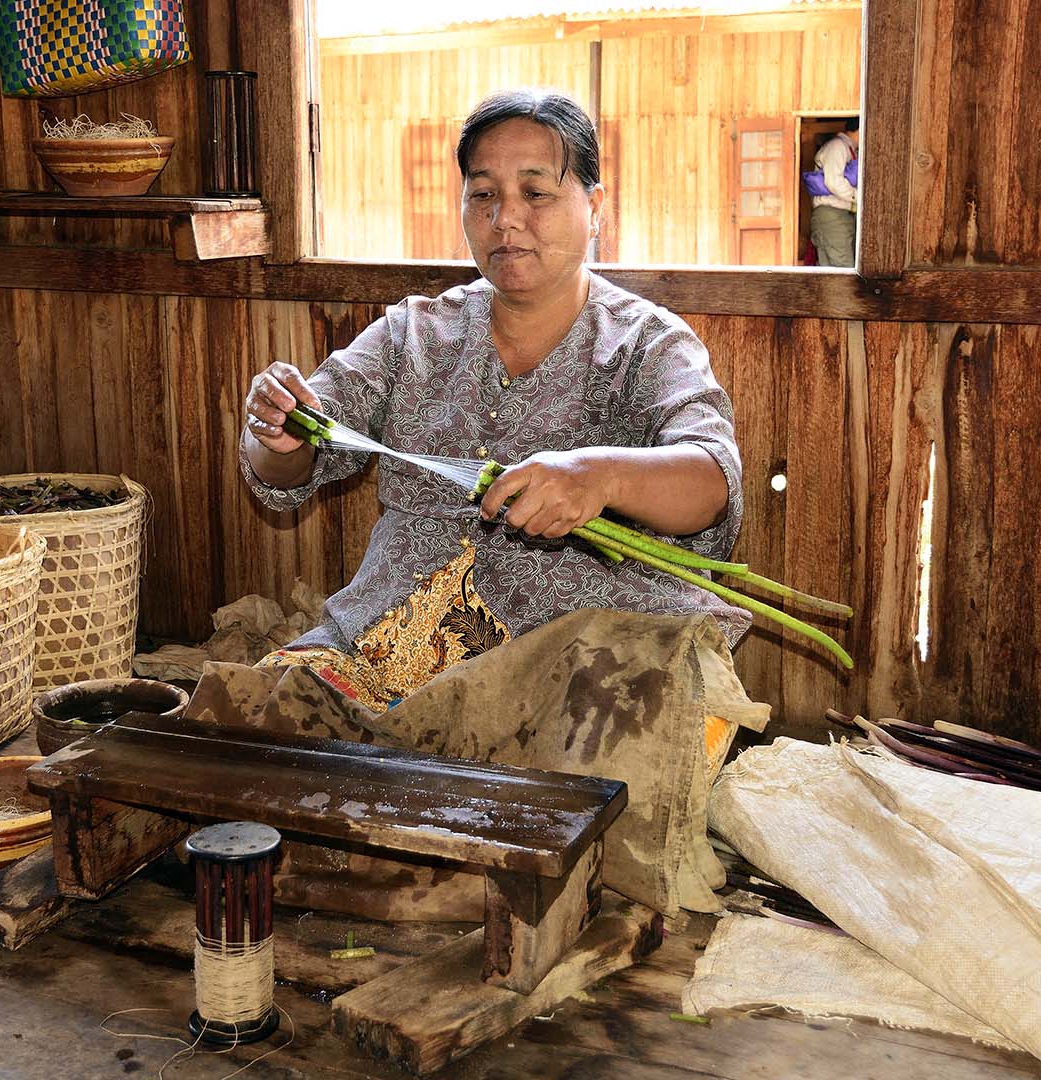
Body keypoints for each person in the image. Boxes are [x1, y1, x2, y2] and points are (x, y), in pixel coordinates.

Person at [239, 89, 748, 714]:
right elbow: (289, 464)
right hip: (381, 648)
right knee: (248, 719)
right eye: (483, 194)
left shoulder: (646, 344)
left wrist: (599, 476)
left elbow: (712, 481)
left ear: (594, 208)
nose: (505, 218)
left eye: (535, 193)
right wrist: (276, 434)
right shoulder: (413, 334)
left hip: (587, 669)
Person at [809, 117, 859, 267]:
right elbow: (833, 182)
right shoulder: (837, 146)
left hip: (840, 216)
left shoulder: (849, 149)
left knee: (838, 270)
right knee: (842, 269)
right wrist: (860, 197)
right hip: (833, 216)